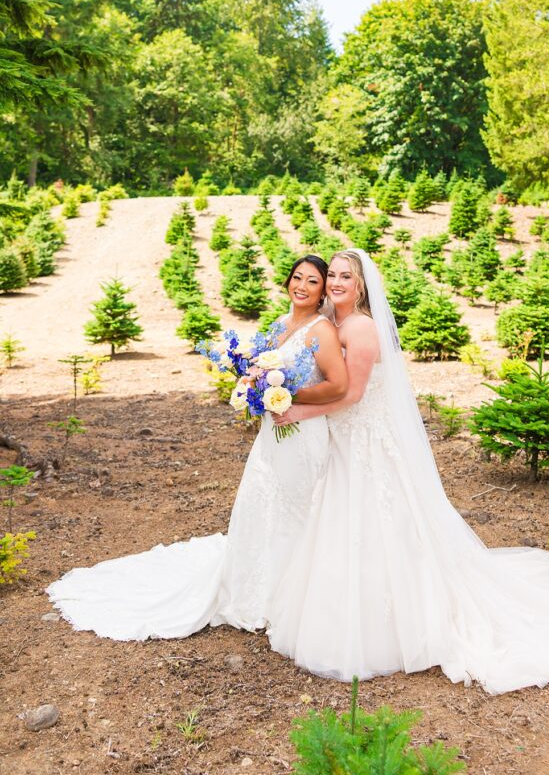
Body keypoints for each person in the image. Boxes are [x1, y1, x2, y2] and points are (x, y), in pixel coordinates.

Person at [269, 248, 549, 694]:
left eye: (347, 276)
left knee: (380, 522)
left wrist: (297, 409)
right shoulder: (332, 321)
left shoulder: (361, 328)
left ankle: (401, 623)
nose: (337, 282)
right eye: (334, 275)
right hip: (344, 439)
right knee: (342, 522)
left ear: (361, 285)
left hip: (367, 442)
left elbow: (354, 395)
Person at [47, 255, 347, 640]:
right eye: (297, 278)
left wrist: (288, 395)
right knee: (261, 504)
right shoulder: (280, 323)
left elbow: (338, 385)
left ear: (323, 292)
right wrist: (254, 385)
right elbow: (260, 369)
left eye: (312, 281)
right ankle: (253, 591)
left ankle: (290, 599)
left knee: (294, 509)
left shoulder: (322, 330)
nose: (302, 286)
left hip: (302, 433)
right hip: (272, 432)